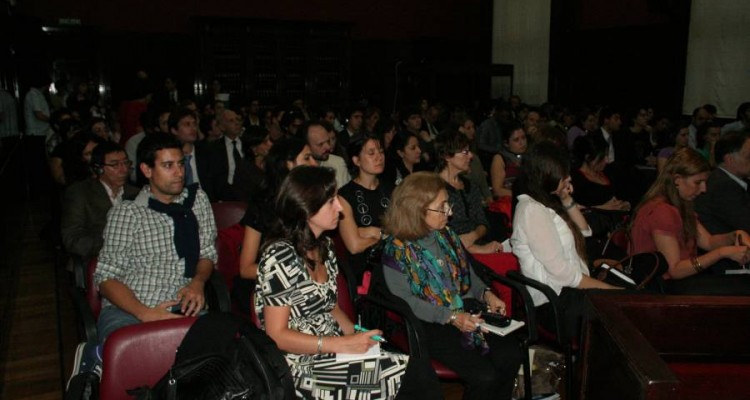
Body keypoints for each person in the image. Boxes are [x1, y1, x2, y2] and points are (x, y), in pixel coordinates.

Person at [254, 166, 418, 399]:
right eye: (331, 201)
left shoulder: (325, 247)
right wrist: (342, 345)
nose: (340, 208)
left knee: (414, 372)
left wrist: (359, 335)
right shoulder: (279, 257)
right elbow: (277, 335)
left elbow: (333, 308)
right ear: (306, 208)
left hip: (332, 349)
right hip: (299, 365)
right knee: (402, 382)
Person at [381, 171, 521, 400]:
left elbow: (468, 274)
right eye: (442, 206)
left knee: (511, 355)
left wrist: (486, 294)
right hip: (430, 322)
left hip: (465, 309)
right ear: (417, 210)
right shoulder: (397, 250)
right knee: (484, 376)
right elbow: (407, 302)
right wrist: (452, 317)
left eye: (448, 204)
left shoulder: (446, 235)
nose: (450, 212)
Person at [94, 132, 218, 342]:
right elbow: (106, 278)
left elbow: (207, 254)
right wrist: (146, 313)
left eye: (181, 164)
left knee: (216, 353)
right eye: (168, 166)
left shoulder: (197, 200)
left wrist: (198, 282)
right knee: (132, 351)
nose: (179, 173)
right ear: (146, 170)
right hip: (131, 309)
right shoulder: (128, 212)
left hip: (184, 305)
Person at [512, 141, 620, 341]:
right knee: (626, 307)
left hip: (571, 293)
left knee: (635, 301)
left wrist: (566, 199)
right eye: (563, 174)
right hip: (556, 304)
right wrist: (608, 290)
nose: (569, 178)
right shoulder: (532, 210)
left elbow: (585, 232)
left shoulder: (547, 202)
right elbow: (563, 275)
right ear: (546, 175)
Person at [630, 147, 750, 295]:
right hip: (662, 288)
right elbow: (675, 270)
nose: (703, 189)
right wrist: (722, 253)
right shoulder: (662, 211)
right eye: (698, 182)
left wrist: (734, 236)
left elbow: (708, 241)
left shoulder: (680, 205)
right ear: (677, 180)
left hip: (679, 283)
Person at [238, 137, 318, 283]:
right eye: (307, 158)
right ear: (288, 164)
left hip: (307, 280)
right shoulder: (263, 205)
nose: (315, 163)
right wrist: (292, 271)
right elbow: (246, 269)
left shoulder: (313, 201)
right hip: (270, 282)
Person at [61, 141, 139, 259]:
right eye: (115, 165)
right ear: (99, 169)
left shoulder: (137, 193)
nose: (123, 170)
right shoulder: (80, 193)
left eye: (125, 163)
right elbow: (73, 239)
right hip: (97, 259)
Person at [337, 134, 393, 282]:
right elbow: (354, 245)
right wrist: (385, 234)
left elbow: (405, 231)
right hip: (367, 268)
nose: (379, 157)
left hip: (395, 261)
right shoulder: (345, 195)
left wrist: (372, 232)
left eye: (381, 151)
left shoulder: (391, 188)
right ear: (356, 160)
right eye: (371, 153)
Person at [435, 130, 501, 253]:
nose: (470, 155)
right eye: (465, 152)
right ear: (447, 156)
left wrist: (474, 235)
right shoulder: (434, 188)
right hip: (452, 251)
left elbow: (483, 221)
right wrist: (477, 249)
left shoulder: (470, 185)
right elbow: (438, 235)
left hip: (476, 244)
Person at [489, 121, 527, 199]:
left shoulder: (529, 156)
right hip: (509, 202)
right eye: (516, 140)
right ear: (506, 143)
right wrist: (523, 196)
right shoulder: (500, 158)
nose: (522, 142)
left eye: (523, 138)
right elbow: (497, 190)